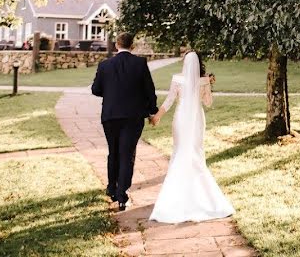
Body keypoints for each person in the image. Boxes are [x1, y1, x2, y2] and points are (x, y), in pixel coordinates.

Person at [148, 50, 235, 223]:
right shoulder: (204, 81)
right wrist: (209, 85)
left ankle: (177, 194)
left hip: (180, 119)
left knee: (180, 152)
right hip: (196, 120)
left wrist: (157, 116)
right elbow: (208, 103)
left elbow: (169, 101)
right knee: (195, 153)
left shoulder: (177, 79)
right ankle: (200, 195)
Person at [90, 31, 158, 211]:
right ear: (132, 46)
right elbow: (149, 90)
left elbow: (96, 90)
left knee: (113, 152)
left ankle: (112, 188)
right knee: (127, 154)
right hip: (133, 117)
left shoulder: (105, 65)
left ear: (116, 45)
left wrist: (112, 91)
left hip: (110, 116)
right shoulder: (140, 63)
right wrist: (152, 111)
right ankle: (122, 195)